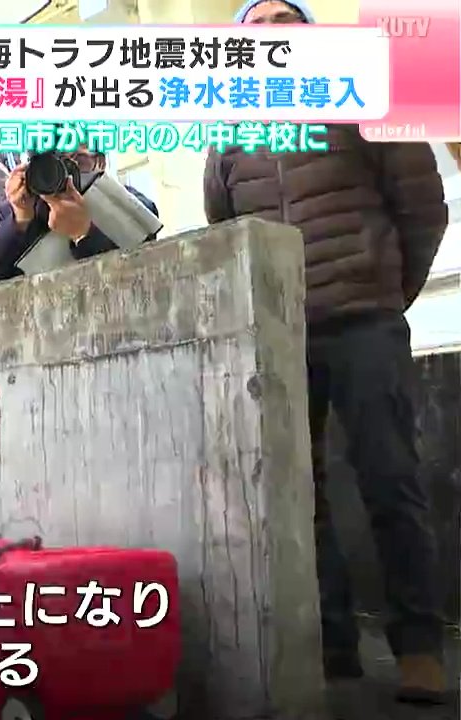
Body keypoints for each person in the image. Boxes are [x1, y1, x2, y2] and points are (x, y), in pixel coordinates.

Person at [206, 0, 449, 705]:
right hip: (280, 338)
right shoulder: (228, 138)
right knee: (298, 494)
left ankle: (420, 648)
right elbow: (227, 233)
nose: (270, 33)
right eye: (254, 27)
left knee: (390, 479)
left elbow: (423, 207)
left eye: (284, 20)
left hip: (365, 322)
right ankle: (332, 642)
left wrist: (387, 291)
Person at [0, 144, 159, 290]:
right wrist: (20, 222)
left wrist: (84, 234)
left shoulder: (130, 206)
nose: (67, 172)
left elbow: (143, 281)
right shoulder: (28, 211)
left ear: (100, 162)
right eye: (58, 158)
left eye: (78, 160)